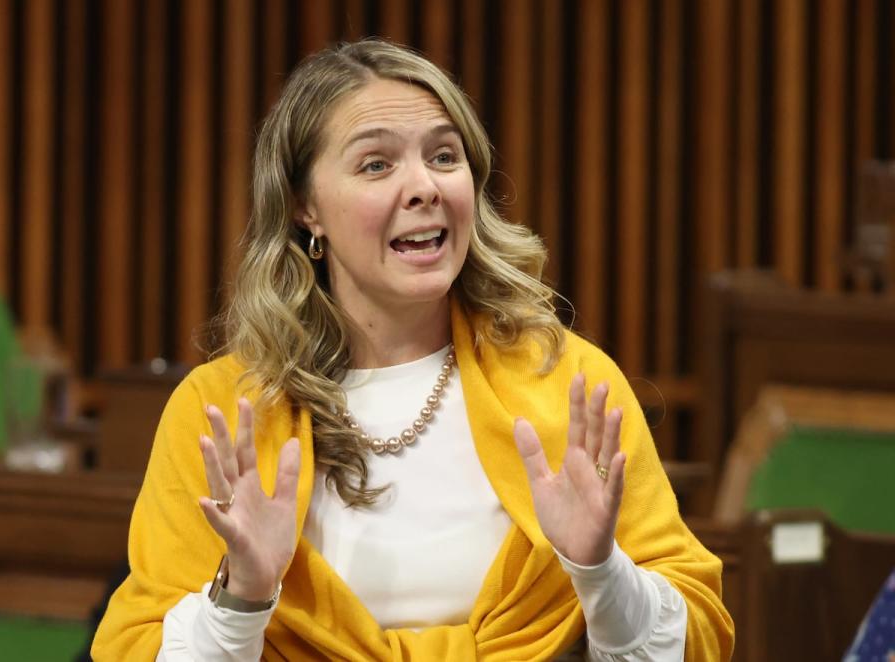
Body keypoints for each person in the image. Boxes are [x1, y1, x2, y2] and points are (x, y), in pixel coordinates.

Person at [92, 38, 734, 661]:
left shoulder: (566, 381)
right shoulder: (221, 414)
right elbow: (138, 648)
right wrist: (243, 596)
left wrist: (599, 571)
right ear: (304, 206)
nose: (425, 186)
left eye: (445, 156)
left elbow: (694, 640)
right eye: (376, 164)